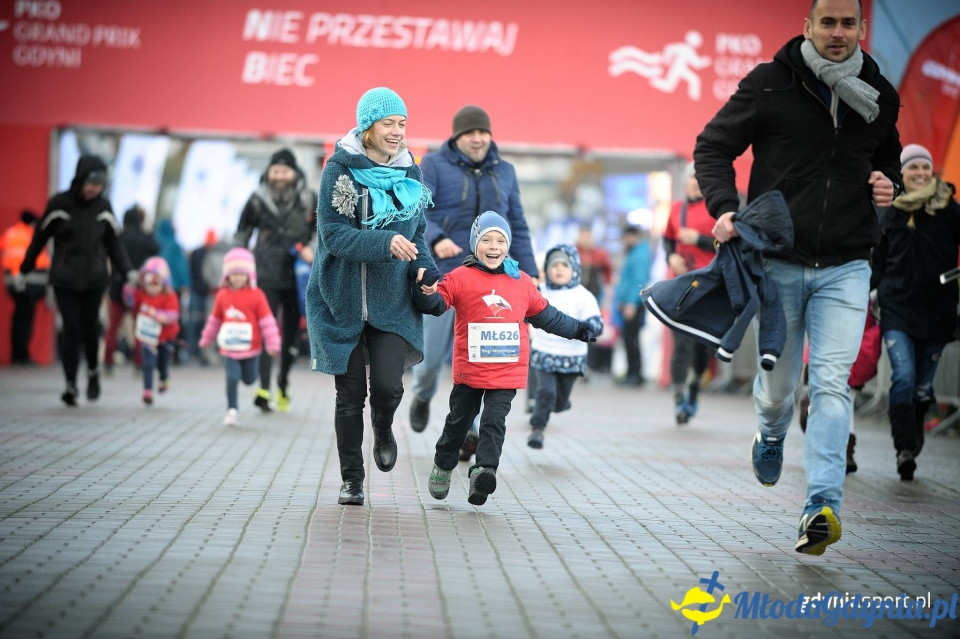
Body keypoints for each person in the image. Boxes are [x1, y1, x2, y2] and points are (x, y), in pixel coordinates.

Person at [693, 0, 902, 555]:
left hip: (847, 264)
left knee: (832, 383)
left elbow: (890, 159)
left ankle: (821, 505)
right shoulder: (770, 83)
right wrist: (724, 207)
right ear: (808, 27)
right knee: (778, 391)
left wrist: (890, 182)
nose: (838, 32)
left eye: (848, 23)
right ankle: (770, 432)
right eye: (827, 22)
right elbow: (713, 146)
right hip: (778, 262)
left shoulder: (880, 95)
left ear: (861, 29)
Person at [304, 87, 438, 507]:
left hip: (391, 303)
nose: (397, 132)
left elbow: (418, 235)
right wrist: (385, 242)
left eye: (402, 124)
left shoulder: (411, 172)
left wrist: (425, 268)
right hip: (339, 299)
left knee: (386, 388)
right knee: (348, 398)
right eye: (388, 124)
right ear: (368, 128)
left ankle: (383, 425)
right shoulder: (339, 169)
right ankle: (352, 481)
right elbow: (333, 234)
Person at [413, 212, 597, 506]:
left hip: (506, 372)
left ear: (508, 245)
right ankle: (443, 464)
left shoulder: (521, 281)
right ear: (475, 243)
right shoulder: (460, 277)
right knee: (459, 423)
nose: (493, 246)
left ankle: (484, 472)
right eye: (486, 240)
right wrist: (426, 292)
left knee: (494, 423)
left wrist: (577, 329)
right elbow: (436, 304)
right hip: (471, 371)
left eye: (500, 240)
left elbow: (546, 315)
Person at [408, 104, 539, 457]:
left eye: (483, 132)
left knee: (483, 360)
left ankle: (470, 429)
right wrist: (436, 238)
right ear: (457, 137)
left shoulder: (505, 171)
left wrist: (530, 271)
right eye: (470, 133)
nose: (478, 139)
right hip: (447, 275)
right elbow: (417, 210)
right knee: (431, 357)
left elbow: (517, 224)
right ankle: (422, 393)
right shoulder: (433, 165)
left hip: (492, 281)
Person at [871, 143, 960, 481]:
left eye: (925, 167)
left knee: (921, 386)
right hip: (897, 310)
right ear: (902, 173)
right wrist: (865, 295)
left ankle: (918, 415)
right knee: (903, 377)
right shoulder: (891, 212)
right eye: (912, 168)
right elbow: (878, 263)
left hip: (938, 313)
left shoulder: (949, 209)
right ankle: (904, 449)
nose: (920, 173)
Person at [20, 155, 135, 406]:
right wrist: (25, 268)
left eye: (100, 185)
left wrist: (128, 272)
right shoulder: (59, 204)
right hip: (65, 280)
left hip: (95, 281)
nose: (96, 189)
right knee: (71, 330)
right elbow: (40, 237)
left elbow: (115, 245)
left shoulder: (103, 207)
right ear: (81, 179)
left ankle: (93, 372)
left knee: (91, 329)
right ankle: (70, 384)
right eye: (92, 184)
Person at [235, 148, 315, 413]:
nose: (279, 176)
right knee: (265, 330)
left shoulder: (308, 198)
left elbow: (322, 229)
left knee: (291, 335)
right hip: (265, 275)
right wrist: (239, 266)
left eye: (284, 171)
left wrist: (311, 248)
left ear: (294, 173)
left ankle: (283, 382)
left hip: (297, 277)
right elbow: (242, 233)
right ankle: (264, 387)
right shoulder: (257, 199)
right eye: (275, 171)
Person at [527, 244, 603, 448]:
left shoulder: (583, 295)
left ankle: (560, 404)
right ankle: (537, 430)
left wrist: (590, 329)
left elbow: (596, 322)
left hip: (572, 356)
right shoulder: (540, 291)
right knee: (546, 392)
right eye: (554, 265)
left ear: (574, 268)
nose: (559, 269)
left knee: (560, 402)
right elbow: (526, 309)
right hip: (544, 352)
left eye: (564, 265)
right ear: (546, 269)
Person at [198, 247, 280, 426]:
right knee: (232, 378)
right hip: (229, 348)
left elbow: (267, 322)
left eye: (242, 274)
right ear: (227, 275)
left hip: (251, 348)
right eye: (234, 274)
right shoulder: (222, 295)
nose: (237, 278)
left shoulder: (257, 295)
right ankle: (232, 410)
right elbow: (214, 320)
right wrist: (206, 339)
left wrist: (272, 343)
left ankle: (246, 382)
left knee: (250, 379)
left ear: (249, 275)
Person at [663, 163, 717, 424]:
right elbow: (668, 239)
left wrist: (699, 240)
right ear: (685, 182)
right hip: (681, 285)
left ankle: (694, 386)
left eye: (700, 178)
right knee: (680, 343)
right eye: (692, 178)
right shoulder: (677, 209)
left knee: (701, 347)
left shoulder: (716, 210)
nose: (695, 182)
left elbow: (728, 244)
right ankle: (678, 398)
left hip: (708, 286)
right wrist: (670, 257)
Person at [105, 205, 159, 372]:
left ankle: (107, 362)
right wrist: (147, 230)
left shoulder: (118, 237)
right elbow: (156, 248)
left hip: (117, 288)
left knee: (113, 328)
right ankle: (139, 363)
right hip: (138, 289)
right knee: (139, 328)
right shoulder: (143, 237)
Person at [129, 256, 180, 405]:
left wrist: (158, 316)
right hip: (148, 336)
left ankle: (164, 378)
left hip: (166, 336)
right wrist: (129, 287)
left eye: (156, 284)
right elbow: (130, 302)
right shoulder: (141, 294)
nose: (152, 288)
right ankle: (147, 390)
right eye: (149, 284)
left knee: (162, 362)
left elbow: (173, 315)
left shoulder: (170, 296)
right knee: (148, 363)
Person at [2, 209, 49, 365]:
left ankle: (18, 354)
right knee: (24, 320)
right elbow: (20, 259)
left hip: (16, 284)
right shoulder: (27, 235)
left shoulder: (11, 233)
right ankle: (21, 355)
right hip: (26, 285)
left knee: (19, 318)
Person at [613, 226, 651, 386]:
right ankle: (633, 372)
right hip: (629, 303)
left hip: (632, 304)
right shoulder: (634, 252)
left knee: (631, 339)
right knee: (630, 338)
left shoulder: (639, 255)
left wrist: (631, 303)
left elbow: (638, 281)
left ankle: (635, 374)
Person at [576, 224, 615, 374]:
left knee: (589, 330)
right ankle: (577, 363)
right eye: (583, 236)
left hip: (594, 298)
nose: (586, 240)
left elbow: (608, 272)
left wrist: (608, 290)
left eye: (588, 237)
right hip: (575, 298)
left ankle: (589, 365)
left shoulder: (599, 254)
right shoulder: (574, 252)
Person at [155, 218, 190, 365]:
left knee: (157, 318)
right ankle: (175, 352)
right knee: (174, 319)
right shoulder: (175, 246)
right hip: (174, 289)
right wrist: (185, 283)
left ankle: (157, 351)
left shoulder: (156, 243)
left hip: (156, 288)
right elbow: (181, 266)